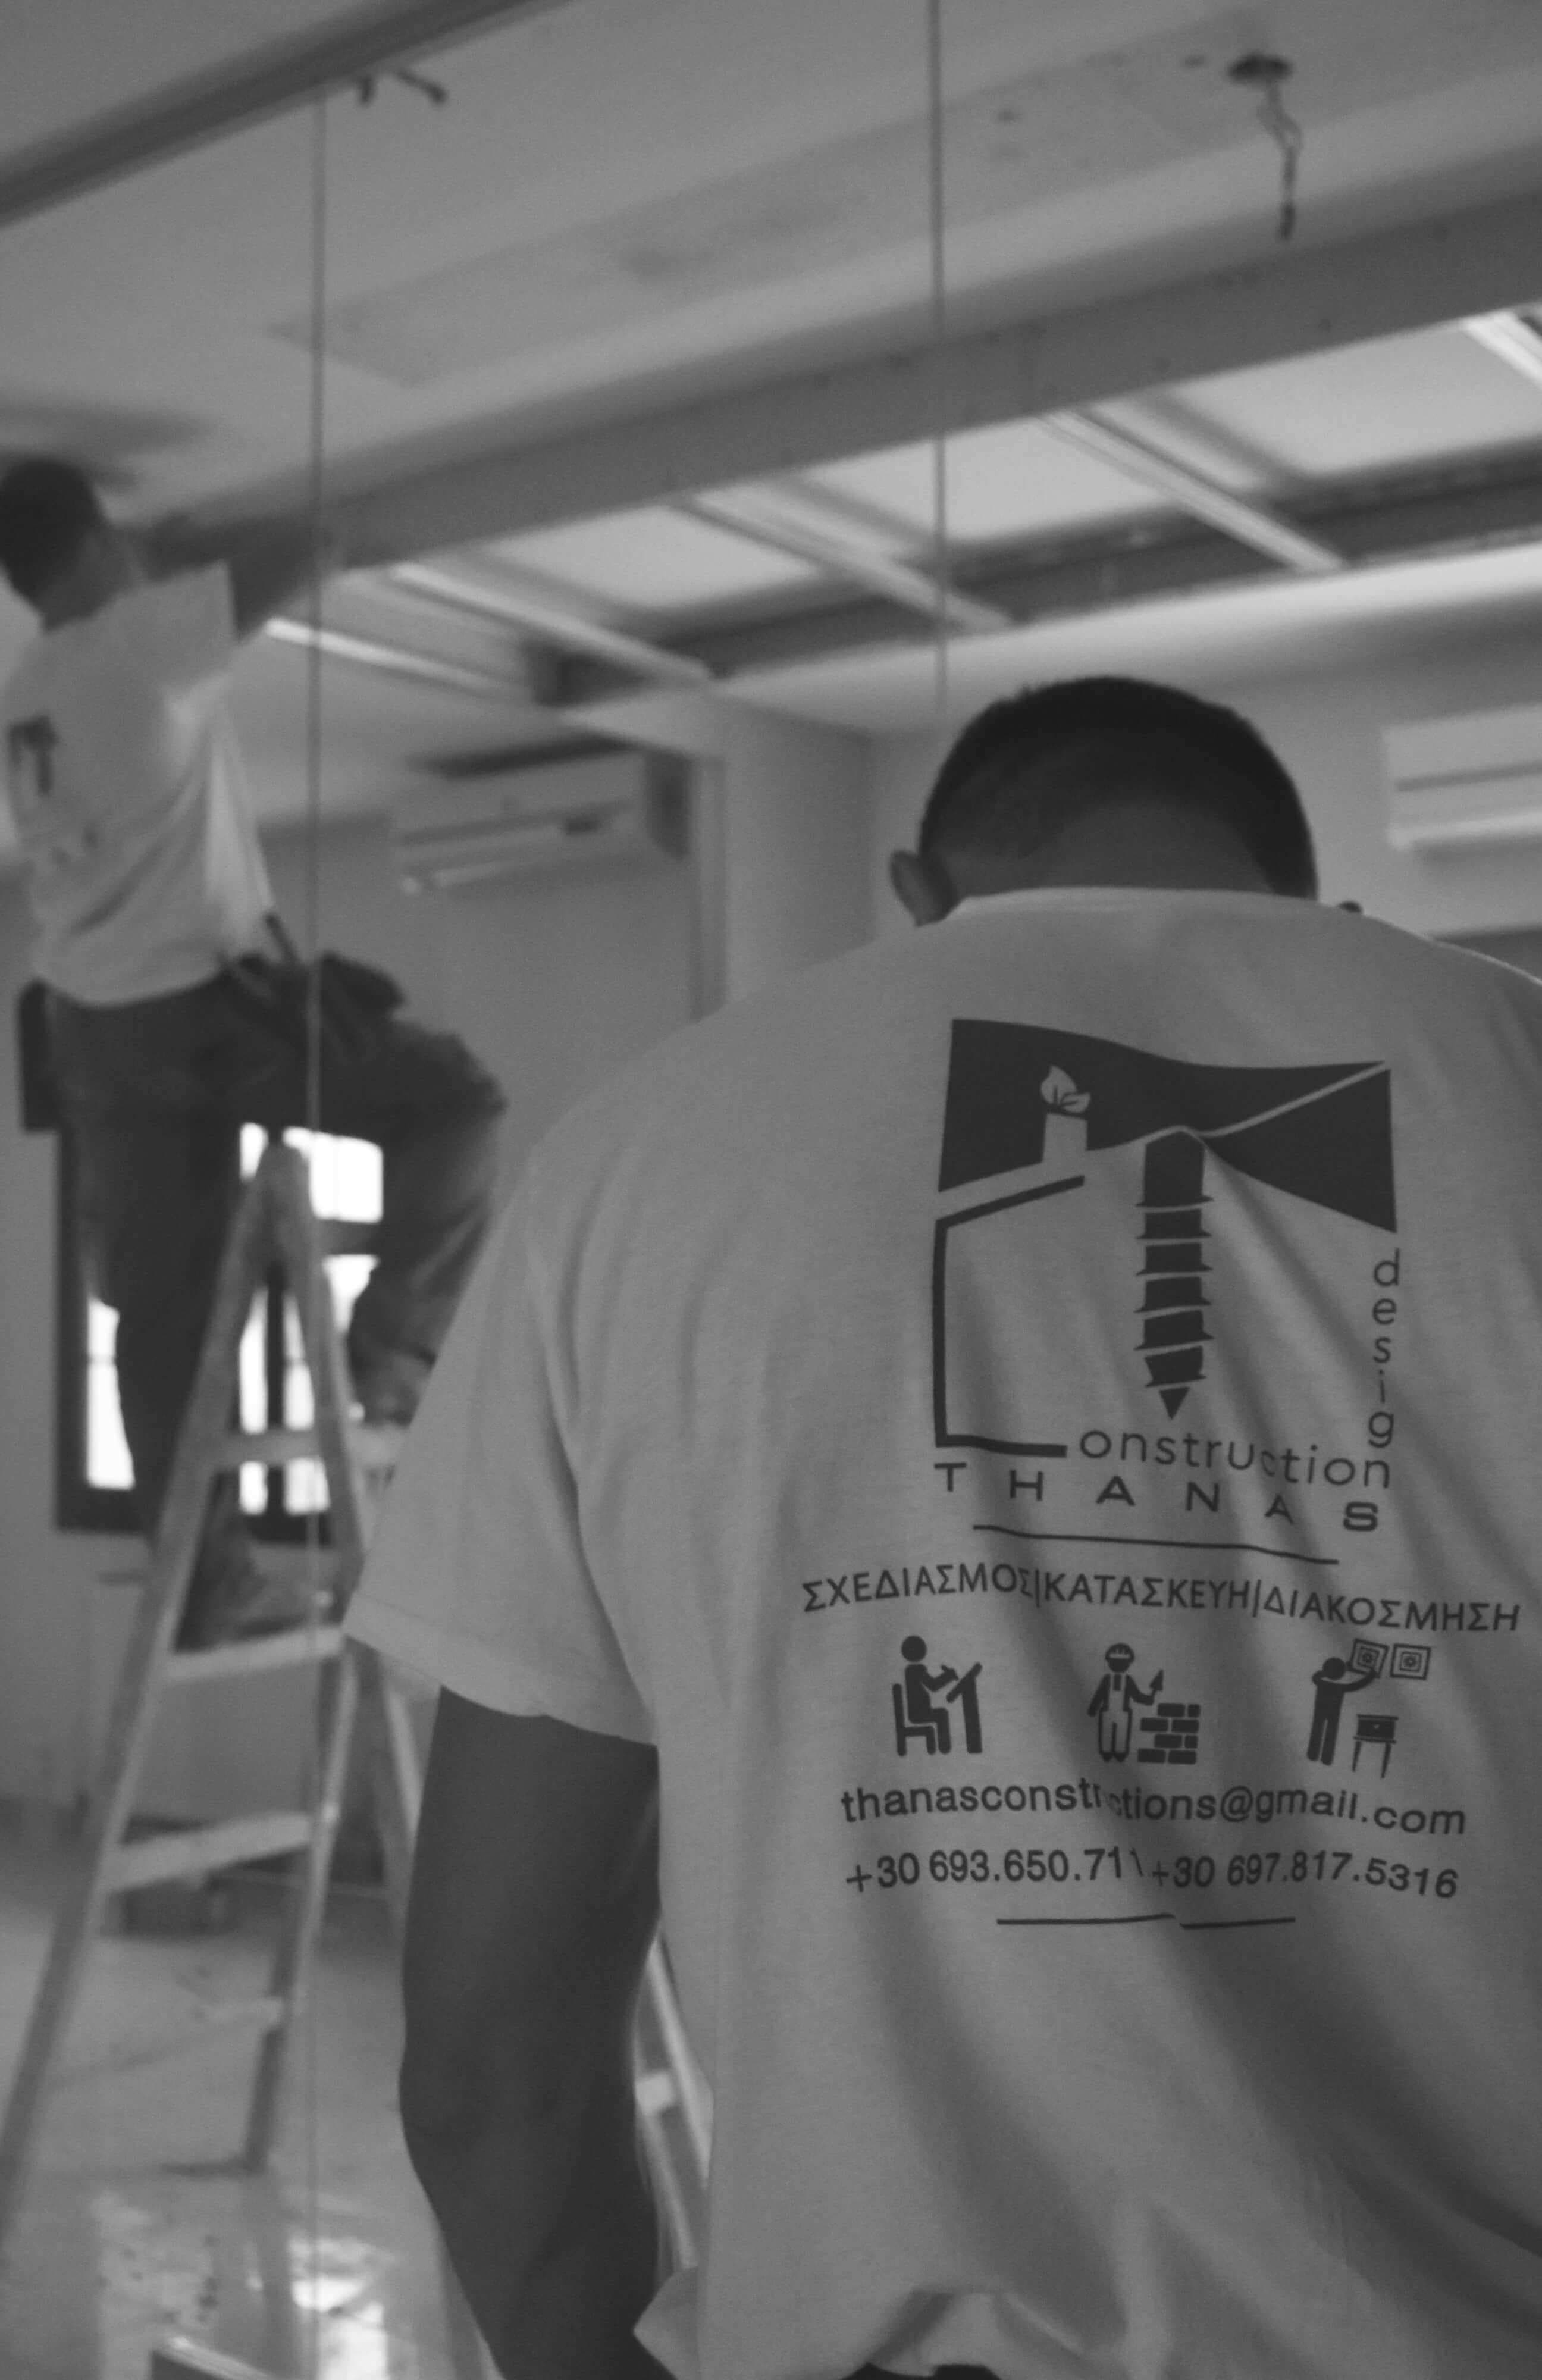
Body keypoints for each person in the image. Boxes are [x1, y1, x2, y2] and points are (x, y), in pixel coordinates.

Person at [344, 674, 1542, 2380]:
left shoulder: (643, 1159)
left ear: (920, 889)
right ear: (1311, 888)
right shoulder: (1509, 1066)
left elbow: (491, 2063)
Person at [0, 457, 506, 1648]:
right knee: (454, 1107)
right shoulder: (131, 637)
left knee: (157, 1317)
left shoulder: (26, 691)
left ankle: (207, 1580)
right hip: (202, 1017)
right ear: (95, 540)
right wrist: (181, 558)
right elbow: (313, 546)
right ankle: (382, 1364)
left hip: (94, 1036)